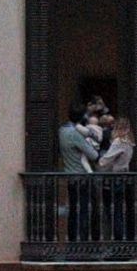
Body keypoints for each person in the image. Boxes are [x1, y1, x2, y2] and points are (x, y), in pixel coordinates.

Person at [58, 102, 100, 242]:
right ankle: (83, 242)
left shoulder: (62, 130)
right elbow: (93, 155)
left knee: (73, 210)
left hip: (70, 175)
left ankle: (72, 240)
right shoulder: (74, 134)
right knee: (84, 211)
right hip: (81, 177)